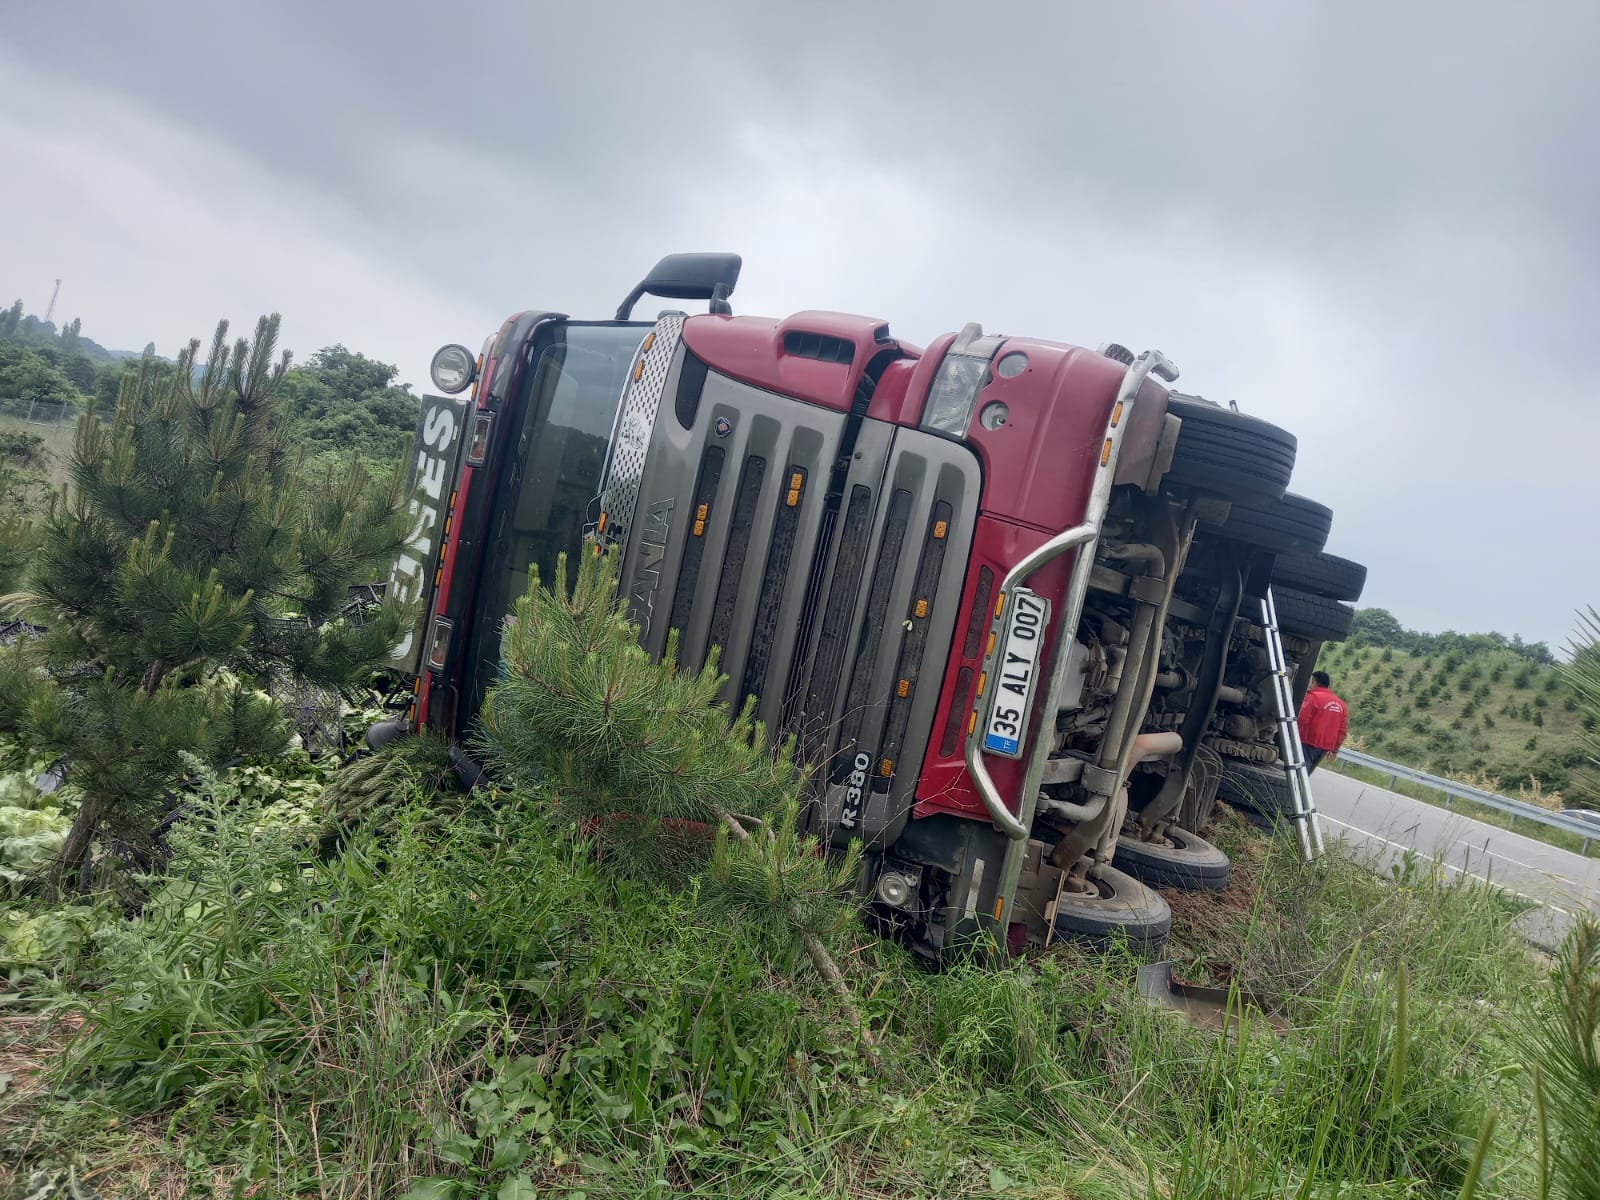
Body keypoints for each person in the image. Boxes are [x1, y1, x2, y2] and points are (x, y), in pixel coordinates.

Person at [1296, 670, 1349, 773]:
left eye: (1311, 682)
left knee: (1299, 773)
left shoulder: (1312, 697)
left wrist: (1292, 737)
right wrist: (1335, 749)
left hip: (1307, 742)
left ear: (1314, 682)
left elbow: (1302, 719)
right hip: (1325, 747)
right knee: (1306, 773)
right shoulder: (1342, 705)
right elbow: (1343, 731)